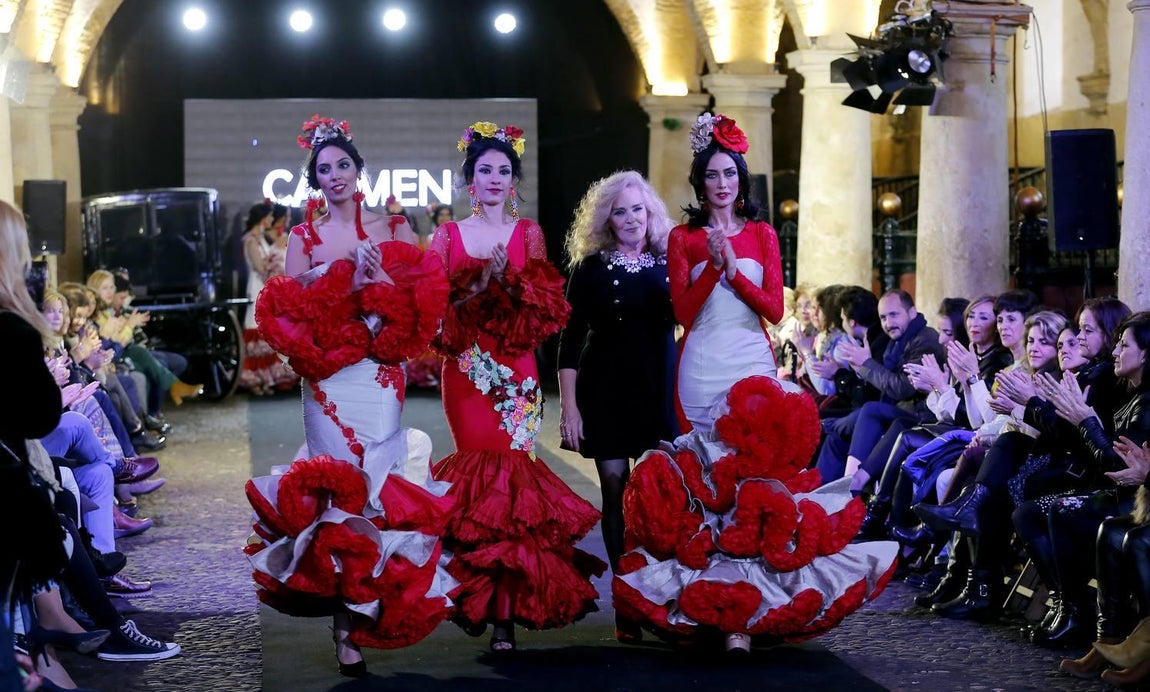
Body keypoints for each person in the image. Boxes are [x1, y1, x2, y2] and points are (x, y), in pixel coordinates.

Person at [612, 113, 897, 653]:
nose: (722, 184)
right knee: (708, 482)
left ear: (742, 180)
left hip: (751, 363)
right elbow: (683, 313)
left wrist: (733, 268)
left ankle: (752, 609)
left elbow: (770, 308)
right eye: (712, 176)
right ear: (699, 184)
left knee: (754, 482)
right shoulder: (681, 237)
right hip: (701, 364)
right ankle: (707, 606)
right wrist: (712, 266)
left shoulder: (763, 234)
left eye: (730, 174)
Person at [245, 115, 456, 678]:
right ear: (313, 179)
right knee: (338, 489)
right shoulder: (303, 238)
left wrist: (378, 282)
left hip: (379, 375)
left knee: (379, 486)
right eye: (324, 168)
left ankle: (371, 606)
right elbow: (285, 307)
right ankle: (344, 628)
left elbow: (418, 307)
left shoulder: (393, 228)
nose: (334, 174)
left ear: (359, 170)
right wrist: (331, 275)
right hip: (328, 381)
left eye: (343, 165)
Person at [429, 120, 605, 653]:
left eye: (504, 171)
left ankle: (504, 614)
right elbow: (433, 311)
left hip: (517, 372)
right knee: (478, 484)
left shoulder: (527, 234)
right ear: (468, 180)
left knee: (513, 486)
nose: (495, 179)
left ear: (514, 181)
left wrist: (511, 282)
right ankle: (477, 598)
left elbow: (548, 310)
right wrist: (479, 284)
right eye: (485, 170)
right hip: (465, 372)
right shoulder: (448, 236)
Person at [556, 170, 677, 642]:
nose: (630, 218)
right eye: (620, 211)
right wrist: (569, 409)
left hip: (657, 391)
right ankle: (627, 602)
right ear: (607, 218)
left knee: (660, 496)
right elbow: (569, 343)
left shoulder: (670, 261)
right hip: (604, 389)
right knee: (614, 490)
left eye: (638, 209)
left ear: (651, 213)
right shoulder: (588, 268)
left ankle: (661, 595)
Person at [238, 201, 299, 394]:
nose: (272, 220)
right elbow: (261, 267)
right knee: (256, 331)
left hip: (266, 290)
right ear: (263, 218)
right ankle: (255, 381)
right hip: (257, 288)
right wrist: (277, 255)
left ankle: (267, 380)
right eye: (270, 216)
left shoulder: (261, 239)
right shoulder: (250, 240)